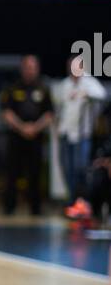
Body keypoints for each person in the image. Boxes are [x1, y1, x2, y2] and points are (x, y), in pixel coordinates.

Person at [0, 55, 54, 215]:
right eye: (27, 67)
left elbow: (50, 114)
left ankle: (35, 208)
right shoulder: (12, 88)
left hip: (36, 137)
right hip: (16, 136)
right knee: (12, 173)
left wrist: (35, 128)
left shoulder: (44, 89)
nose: (30, 70)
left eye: (33, 67)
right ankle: (9, 208)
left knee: (35, 173)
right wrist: (22, 127)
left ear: (37, 69)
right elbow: (6, 112)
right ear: (22, 68)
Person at [53, 53, 106, 216]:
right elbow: (58, 106)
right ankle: (73, 201)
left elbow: (102, 95)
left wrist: (86, 94)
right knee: (67, 169)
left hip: (82, 134)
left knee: (80, 168)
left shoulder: (89, 82)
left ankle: (82, 201)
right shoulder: (64, 84)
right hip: (65, 132)